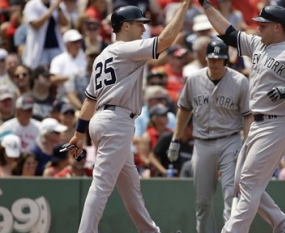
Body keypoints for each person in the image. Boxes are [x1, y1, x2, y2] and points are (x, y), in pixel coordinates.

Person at [198, 2, 285, 232]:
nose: (258, 28)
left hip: (277, 123)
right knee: (242, 183)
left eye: (263, 25)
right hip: (258, 124)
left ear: (277, 27)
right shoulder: (258, 44)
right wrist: (206, 5)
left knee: (248, 183)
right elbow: (228, 33)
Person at [65, 3, 191, 233]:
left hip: (103, 119)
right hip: (116, 121)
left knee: (131, 186)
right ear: (125, 26)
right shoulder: (126, 50)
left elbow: (89, 101)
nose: (143, 29)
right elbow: (164, 41)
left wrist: (78, 133)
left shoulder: (102, 56)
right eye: (139, 24)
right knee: (102, 184)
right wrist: (183, 6)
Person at [168, 39, 253, 233]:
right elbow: (183, 110)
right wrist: (175, 138)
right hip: (202, 143)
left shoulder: (239, 81)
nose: (215, 63)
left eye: (219, 59)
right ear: (206, 58)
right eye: (211, 58)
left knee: (232, 196)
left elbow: (248, 115)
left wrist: (247, 145)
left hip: (230, 140)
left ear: (226, 61)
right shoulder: (194, 79)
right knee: (203, 202)